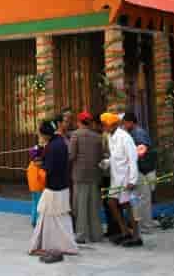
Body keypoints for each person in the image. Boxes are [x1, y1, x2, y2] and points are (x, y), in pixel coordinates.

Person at [29, 120, 78, 260]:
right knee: (60, 218)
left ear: (44, 134)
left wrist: (38, 164)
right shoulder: (60, 142)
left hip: (54, 188)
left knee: (49, 216)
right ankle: (64, 245)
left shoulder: (52, 146)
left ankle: (45, 245)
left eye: (40, 133)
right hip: (63, 186)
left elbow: (48, 168)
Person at [101, 112, 142, 247]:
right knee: (111, 202)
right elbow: (116, 157)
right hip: (115, 177)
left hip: (126, 178)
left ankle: (136, 237)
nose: (103, 127)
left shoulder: (125, 137)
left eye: (105, 125)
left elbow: (132, 159)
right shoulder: (109, 136)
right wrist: (106, 162)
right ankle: (125, 232)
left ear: (113, 125)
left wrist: (132, 180)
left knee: (128, 206)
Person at [69, 111, 103, 244]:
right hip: (94, 175)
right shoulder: (97, 136)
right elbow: (100, 157)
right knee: (93, 206)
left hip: (80, 175)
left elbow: (71, 155)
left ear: (79, 122)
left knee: (81, 206)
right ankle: (96, 234)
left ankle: (81, 235)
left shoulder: (75, 135)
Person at [123, 112, 157, 231]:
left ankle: (146, 226)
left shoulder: (138, 133)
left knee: (143, 199)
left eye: (125, 123)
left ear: (131, 122)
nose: (124, 125)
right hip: (141, 169)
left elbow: (142, 150)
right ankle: (143, 224)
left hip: (143, 170)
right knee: (140, 199)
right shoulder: (134, 132)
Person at [27, 141, 46, 228]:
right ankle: (38, 221)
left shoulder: (30, 166)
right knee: (39, 205)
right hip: (39, 188)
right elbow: (43, 177)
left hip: (32, 188)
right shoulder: (39, 167)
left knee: (34, 204)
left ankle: (34, 221)